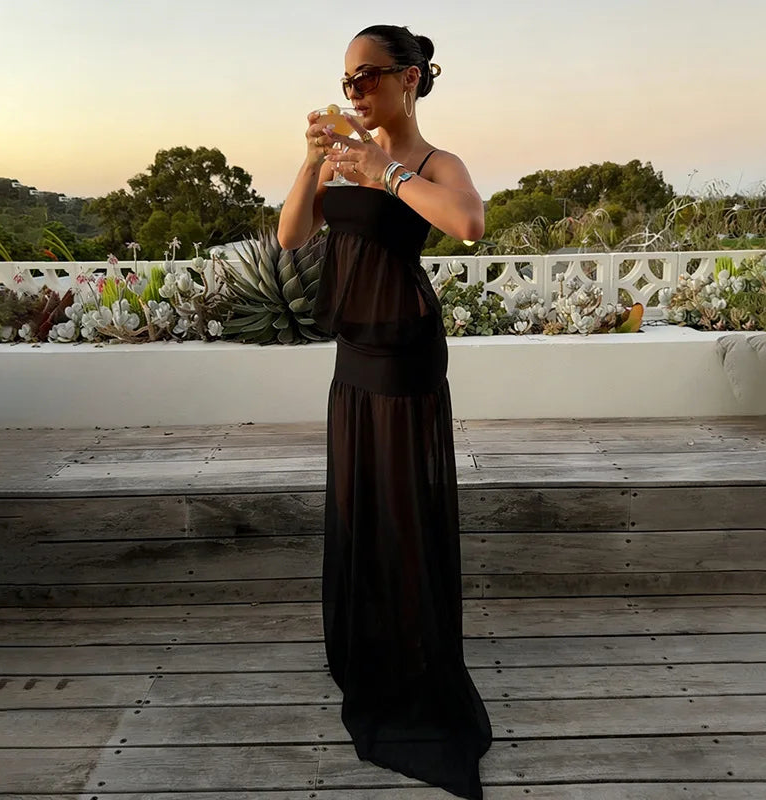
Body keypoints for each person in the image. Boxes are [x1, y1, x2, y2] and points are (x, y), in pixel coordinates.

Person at [278, 24, 492, 800]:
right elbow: (292, 234)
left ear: (410, 78)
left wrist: (387, 170)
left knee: (403, 503)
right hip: (352, 355)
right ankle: (374, 645)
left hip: (404, 349)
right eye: (346, 82)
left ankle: (416, 656)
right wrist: (313, 162)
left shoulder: (435, 164)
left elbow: (468, 225)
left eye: (369, 76)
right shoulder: (342, 155)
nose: (356, 92)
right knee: (360, 499)